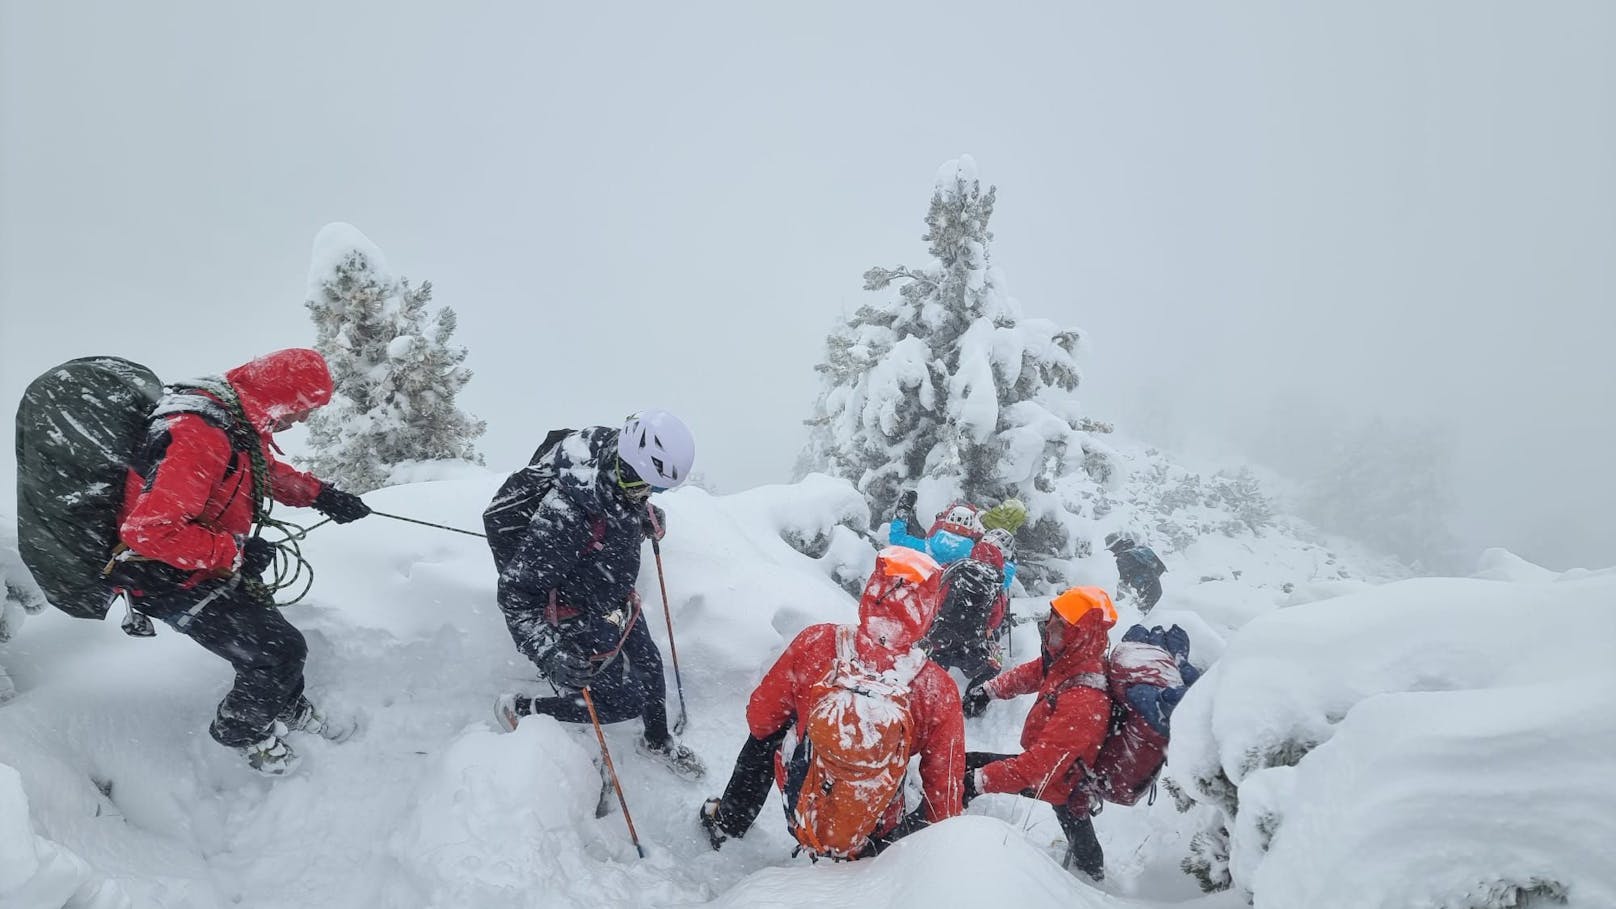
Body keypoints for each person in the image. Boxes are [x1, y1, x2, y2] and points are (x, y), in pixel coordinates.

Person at [111, 349, 372, 774]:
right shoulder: (199, 433)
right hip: (165, 577)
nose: (303, 420)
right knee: (278, 652)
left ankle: (285, 706)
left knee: (273, 641)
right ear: (278, 394)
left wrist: (321, 494)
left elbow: (261, 470)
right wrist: (234, 552)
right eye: (302, 408)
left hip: (201, 565)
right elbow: (149, 532)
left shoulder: (231, 425)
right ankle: (240, 732)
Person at [698, 547, 965, 858]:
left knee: (766, 735)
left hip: (802, 800)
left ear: (871, 591)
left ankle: (730, 820)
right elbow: (944, 797)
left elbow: (760, 718)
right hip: (872, 822)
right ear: (929, 609)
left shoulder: (818, 641)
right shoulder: (937, 688)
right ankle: (862, 856)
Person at [491, 411, 704, 780]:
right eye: (646, 487)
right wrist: (550, 653)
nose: (648, 495)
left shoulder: (616, 465)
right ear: (627, 467)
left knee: (650, 665)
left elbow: (620, 505)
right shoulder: (565, 515)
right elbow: (515, 594)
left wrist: (645, 515)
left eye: (657, 490)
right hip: (576, 612)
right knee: (623, 702)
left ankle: (656, 741)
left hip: (612, 596)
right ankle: (522, 708)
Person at [961, 586, 1117, 881]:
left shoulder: (1084, 697)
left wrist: (979, 782)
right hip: (1069, 774)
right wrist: (988, 691)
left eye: (1058, 621)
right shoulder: (1070, 659)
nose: (1048, 624)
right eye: (1051, 616)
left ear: (1077, 631)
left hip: (1062, 778)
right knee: (1073, 815)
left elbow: (1038, 769)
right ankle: (1091, 870)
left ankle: (937, 829)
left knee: (970, 768)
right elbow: (1031, 674)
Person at [923, 530, 1013, 711]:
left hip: (941, 639)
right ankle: (971, 704)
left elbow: (935, 598)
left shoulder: (956, 566)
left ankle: (926, 699)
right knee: (993, 668)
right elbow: (993, 623)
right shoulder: (996, 583)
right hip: (970, 647)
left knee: (933, 666)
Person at [1105, 531, 1166, 613]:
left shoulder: (1123, 557)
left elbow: (1117, 579)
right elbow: (1159, 567)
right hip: (1154, 585)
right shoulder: (1139, 549)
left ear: (1114, 547)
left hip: (1146, 591)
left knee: (1140, 617)